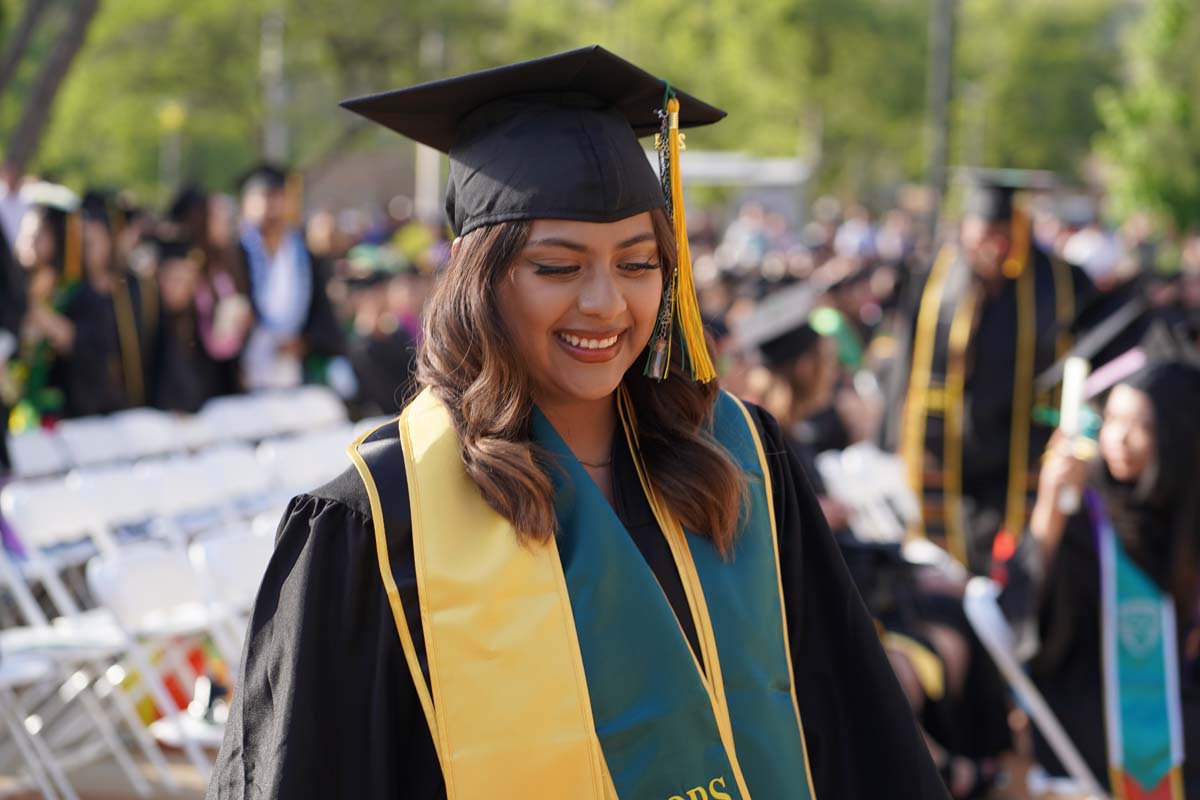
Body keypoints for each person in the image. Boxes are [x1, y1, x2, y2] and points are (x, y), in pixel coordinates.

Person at [208, 46, 945, 799]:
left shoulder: (738, 459)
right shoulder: (383, 521)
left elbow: (848, 729)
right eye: (557, 267)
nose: (605, 303)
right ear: (480, 281)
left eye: (637, 263)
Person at [1000, 359, 1200, 797]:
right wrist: (1049, 510)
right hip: (1093, 702)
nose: (1119, 440)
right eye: (1111, 420)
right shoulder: (1084, 512)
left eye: (1141, 425)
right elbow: (1023, 615)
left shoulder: (1188, 515)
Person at [885, 171, 1096, 574]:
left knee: (1018, 569)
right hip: (949, 457)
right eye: (984, 235)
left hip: (1026, 451)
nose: (994, 248)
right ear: (965, 230)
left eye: (1003, 236)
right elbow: (906, 364)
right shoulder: (936, 277)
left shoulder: (1061, 282)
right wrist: (894, 438)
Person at [235, 163, 343, 391]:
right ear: (246, 203)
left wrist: (305, 342)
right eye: (263, 196)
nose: (270, 204)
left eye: (278, 196)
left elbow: (321, 313)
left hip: (292, 369)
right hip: (242, 370)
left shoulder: (305, 254)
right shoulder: (235, 253)